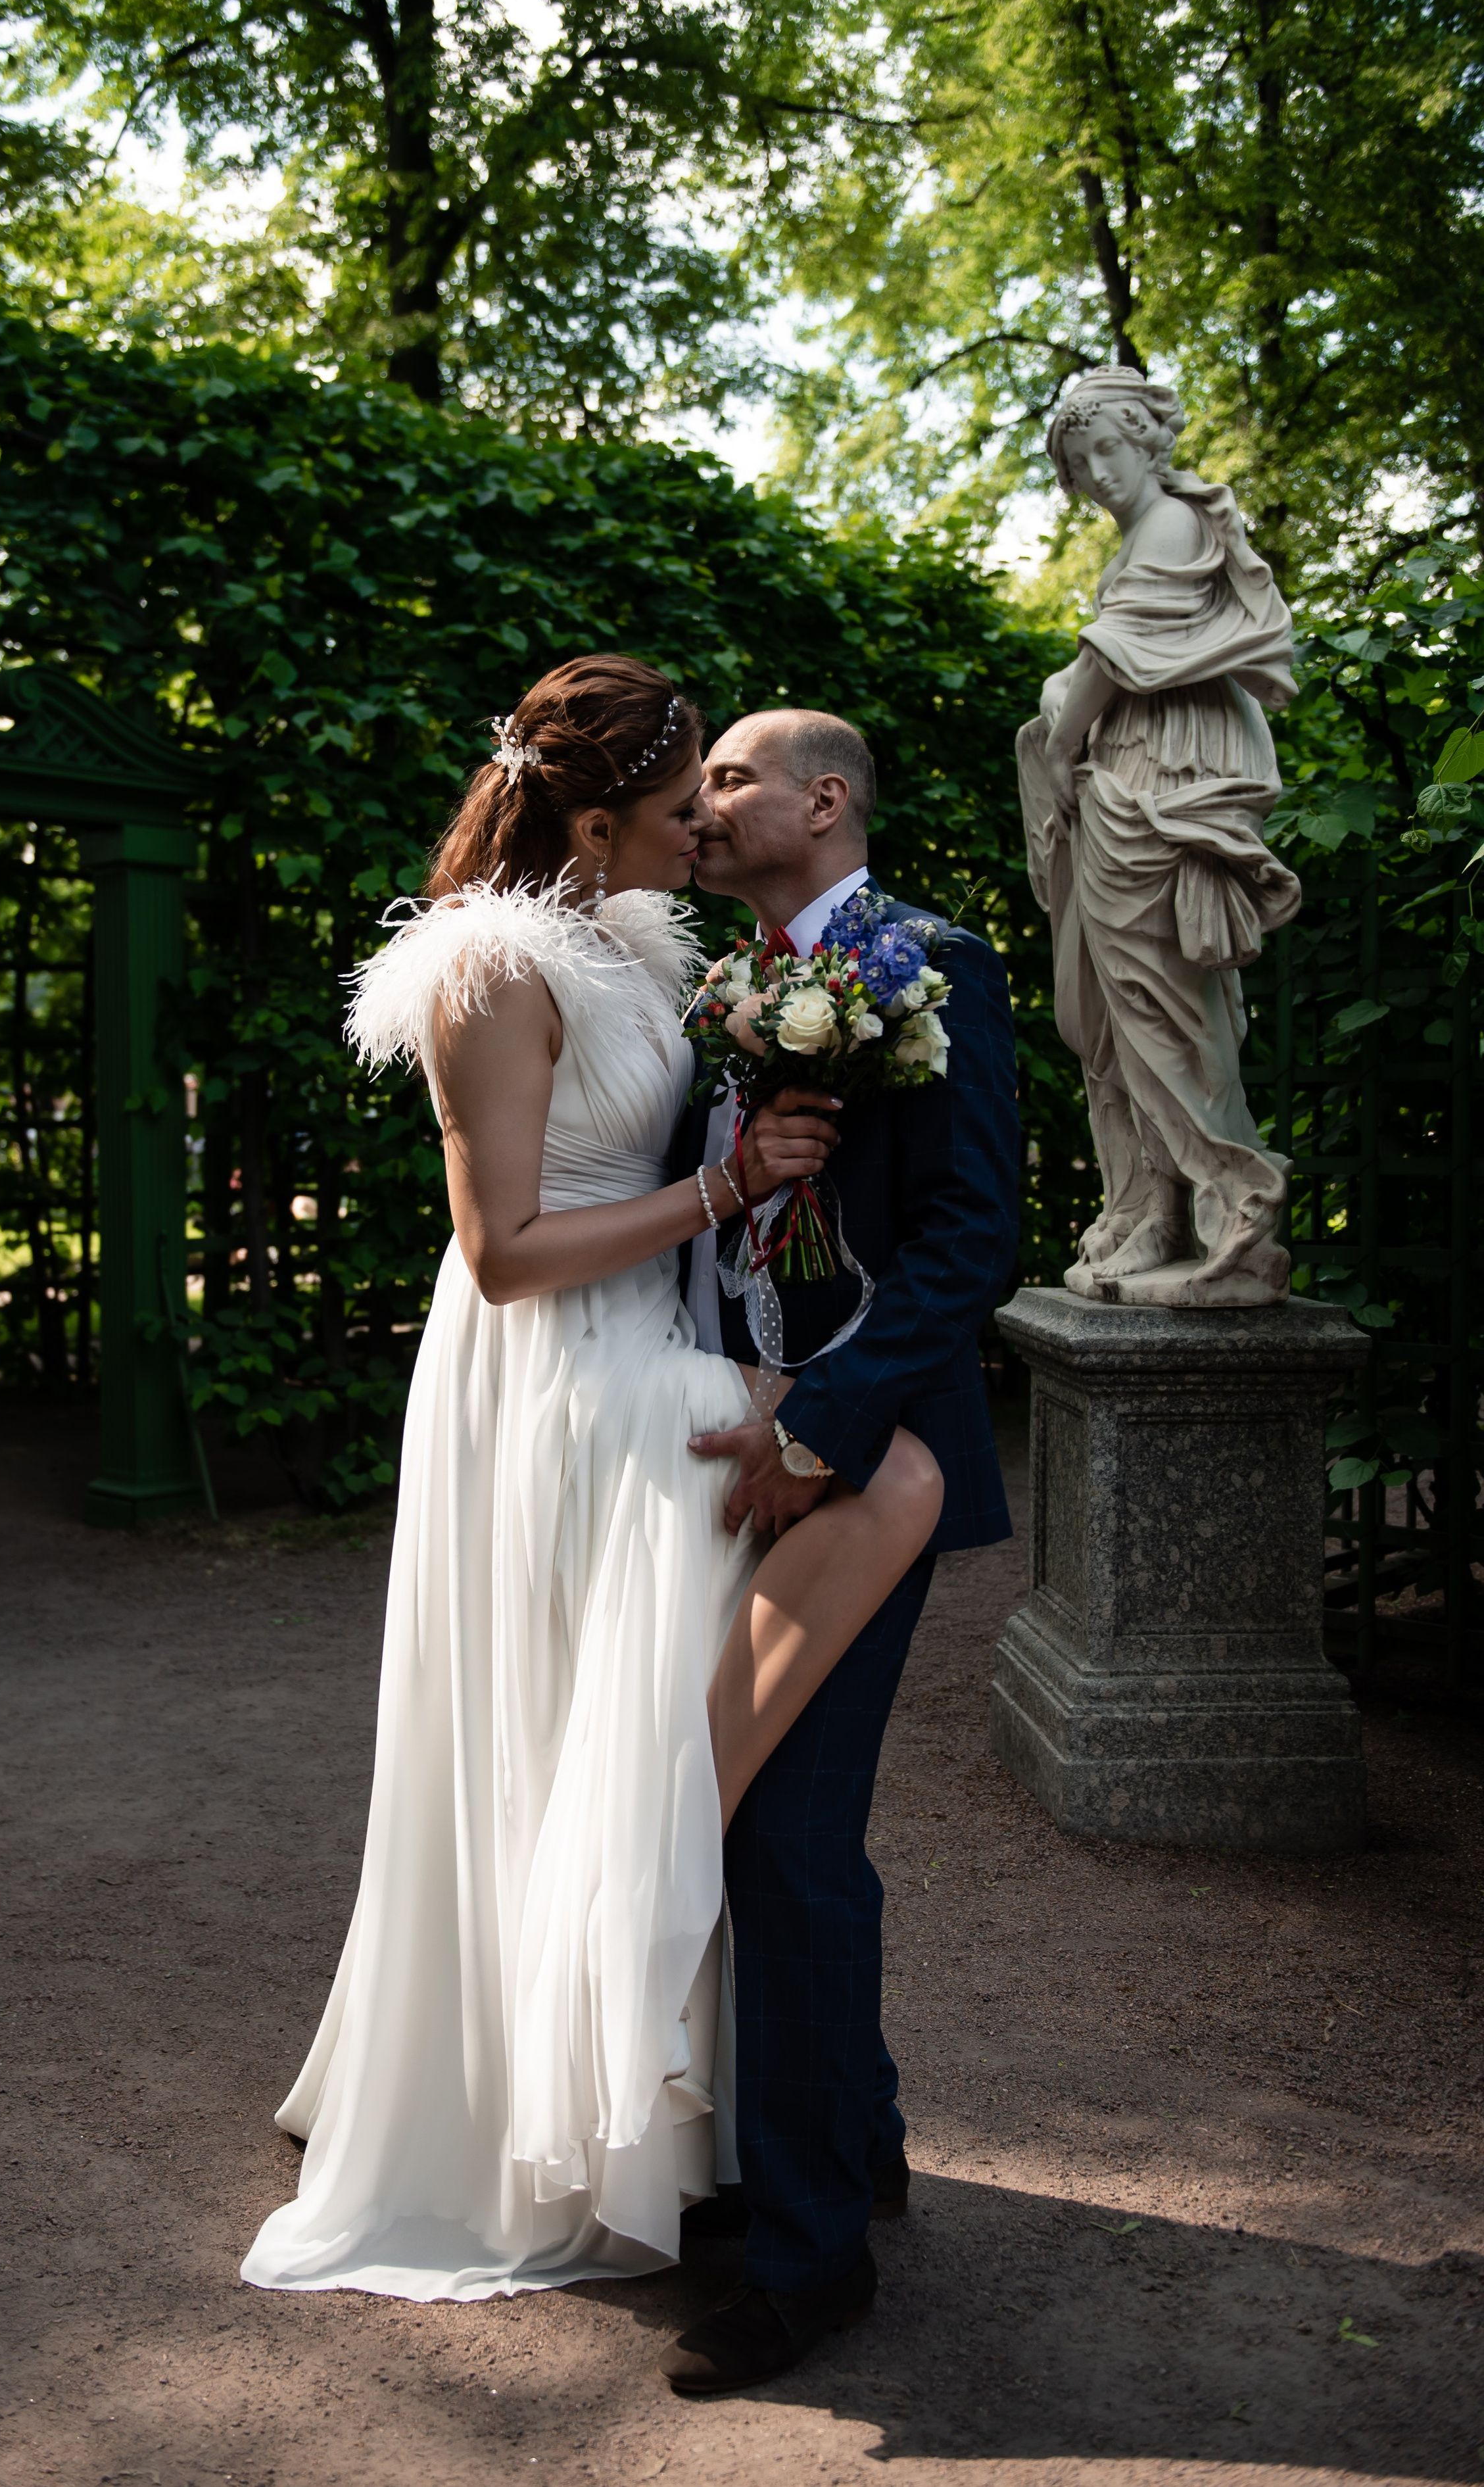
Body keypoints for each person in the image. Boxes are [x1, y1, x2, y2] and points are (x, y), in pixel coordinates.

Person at [240, 656, 943, 2305]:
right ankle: (594, 2016)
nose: (704, 816)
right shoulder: (485, 963)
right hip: (552, 1373)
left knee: (621, 1707)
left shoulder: (637, 948)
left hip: (637, 1333)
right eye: (685, 787)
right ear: (597, 803)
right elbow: (500, 1254)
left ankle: (679, 2087)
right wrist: (718, 1189)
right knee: (880, 1471)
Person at [658, 707, 1020, 2396]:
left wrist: (826, 1427)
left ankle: (808, 2264)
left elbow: (972, 1232)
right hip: (720, 1437)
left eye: (726, 778)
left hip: (873, 1467)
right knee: (785, 1831)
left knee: (785, 1841)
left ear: (823, 798)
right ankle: (852, 2142)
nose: (700, 805)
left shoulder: (929, 959)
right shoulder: (728, 977)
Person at [1015, 365, 1301, 1299]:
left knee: (1163, 1011)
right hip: (1125, 780)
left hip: (1154, 787)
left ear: (1149, 440)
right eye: (1078, 458)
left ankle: (1238, 1221)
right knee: (1110, 1018)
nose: (1098, 471)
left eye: (1111, 447)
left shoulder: (1176, 522)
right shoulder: (1141, 535)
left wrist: (1060, 736)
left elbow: (1115, 654)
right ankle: (1152, 1212)